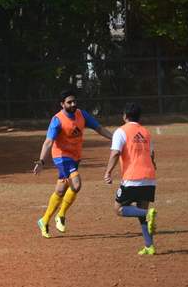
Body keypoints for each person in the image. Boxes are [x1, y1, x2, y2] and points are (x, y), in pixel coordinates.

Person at [33, 90, 113, 238]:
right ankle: (61, 215)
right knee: (76, 184)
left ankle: (44, 221)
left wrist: (114, 138)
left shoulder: (81, 115)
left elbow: (99, 128)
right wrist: (41, 161)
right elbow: (48, 141)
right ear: (62, 104)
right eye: (69, 102)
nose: (73, 104)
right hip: (62, 157)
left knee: (61, 190)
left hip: (75, 156)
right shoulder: (57, 120)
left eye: (74, 101)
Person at [103, 103, 157, 255]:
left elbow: (115, 153)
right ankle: (149, 246)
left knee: (119, 209)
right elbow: (151, 155)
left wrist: (108, 172)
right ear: (139, 117)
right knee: (141, 210)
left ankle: (148, 214)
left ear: (125, 116)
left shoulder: (121, 131)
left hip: (132, 178)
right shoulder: (146, 132)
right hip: (149, 177)